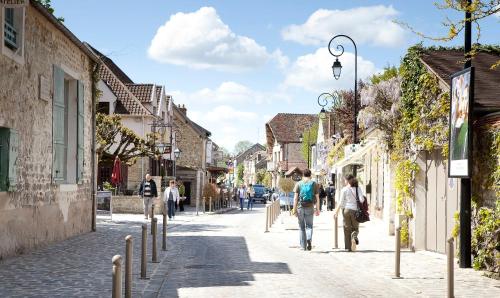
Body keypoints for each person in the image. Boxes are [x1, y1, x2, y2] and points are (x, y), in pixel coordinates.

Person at [334, 175, 365, 252]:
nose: (344, 181)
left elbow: (340, 202)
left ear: (347, 181)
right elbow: (361, 200)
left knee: (346, 228)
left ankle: (348, 247)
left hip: (346, 210)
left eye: (345, 180)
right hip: (355, 211)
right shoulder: (358, 188)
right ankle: (354, 236)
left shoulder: (344, 189)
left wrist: (336, 212)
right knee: (355, 228)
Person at [292, 169, 320, 251]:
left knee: (301, 227)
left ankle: (303, 246)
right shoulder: (314, 184)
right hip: (310, 207)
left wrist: (294, 210)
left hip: (300, 207)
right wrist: (317, 209)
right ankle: (309, 238)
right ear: (310, 175)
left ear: (302, 175)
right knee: (309, 226)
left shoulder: (299, 184)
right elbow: (317, 198)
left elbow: (295, 198)